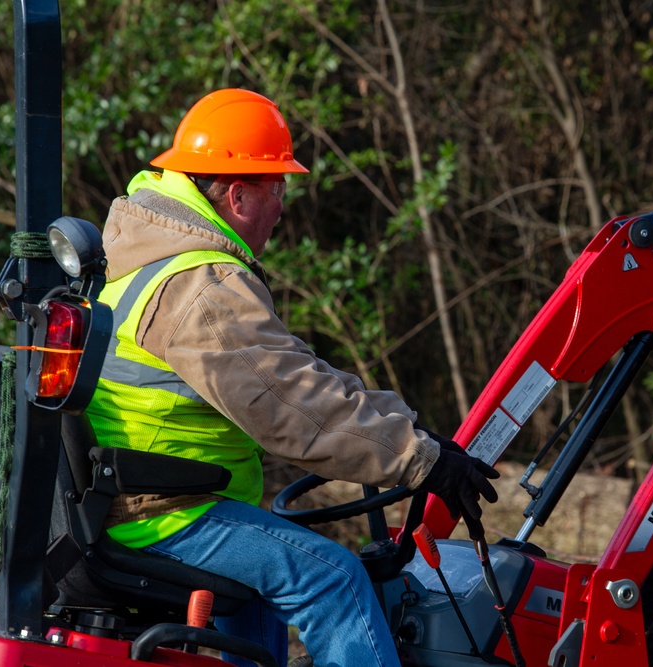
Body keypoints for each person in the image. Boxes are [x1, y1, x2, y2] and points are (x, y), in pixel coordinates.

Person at [85, 88, 499, 667]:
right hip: (164, 512)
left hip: (156, 498)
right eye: (277, 189)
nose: (282, 207)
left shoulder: (156, 259)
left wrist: (406, 427)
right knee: (335, 578)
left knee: (266, 592)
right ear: (237, 194)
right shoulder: (202, 287)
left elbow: (300, 373)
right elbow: (293, 412)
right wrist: (419, 460)